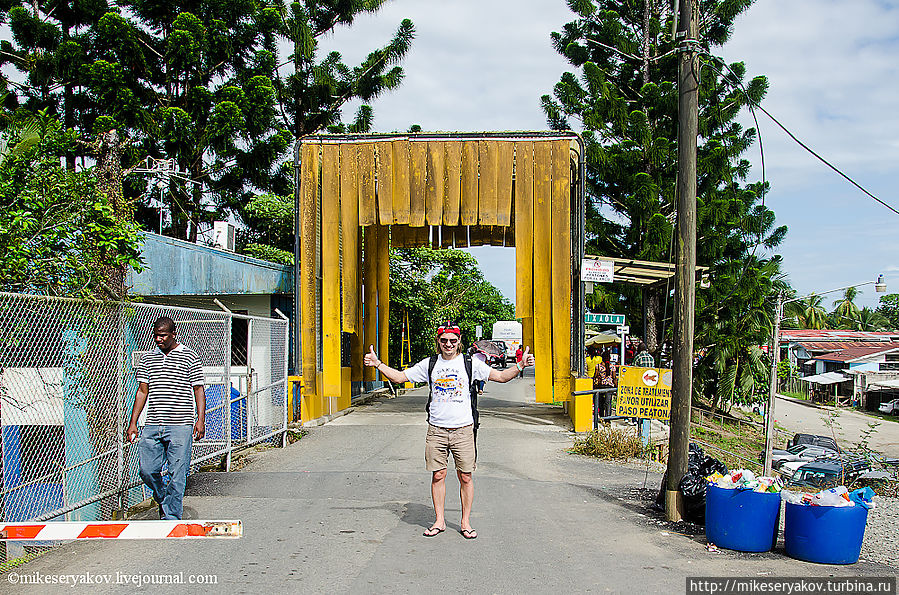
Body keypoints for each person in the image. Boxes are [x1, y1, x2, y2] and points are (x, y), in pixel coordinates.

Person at [364, 321, 535, 540]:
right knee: (438, 475)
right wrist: (378, 363)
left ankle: (465, 522)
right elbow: (399, 378)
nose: (448, 344)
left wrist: (520, 366)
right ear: (438, 341)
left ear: (459, 341)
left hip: (463, 429)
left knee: (465, 476)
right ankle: (439, 520)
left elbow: (500, 377)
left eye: (453, 340)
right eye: (444, 340)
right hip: (436, 429)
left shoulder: (470, 363)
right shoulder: (430, 364)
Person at [124, 316, 206, 520]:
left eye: (163, 336)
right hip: (153, 423)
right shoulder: (148, 359)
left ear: (173, 334)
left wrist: (200, 419)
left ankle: (170, 518)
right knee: (147, 470)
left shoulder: (189, 356)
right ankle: (162, 495)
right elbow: (142, 392)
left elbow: (198, 389)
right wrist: (133, 423)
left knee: (177, 474)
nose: (159, 339)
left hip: (181, 424)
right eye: (156, 336)